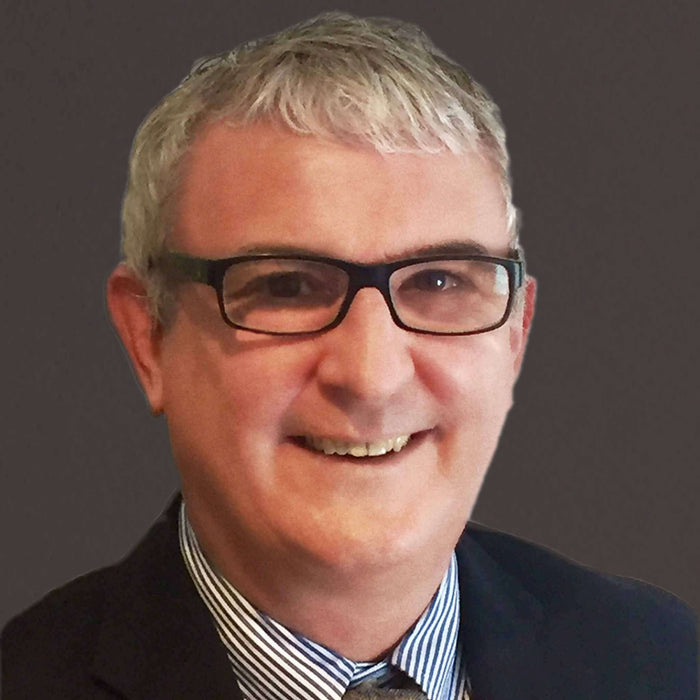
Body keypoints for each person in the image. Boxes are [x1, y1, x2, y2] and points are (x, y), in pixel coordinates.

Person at [1, 12, 695, 700]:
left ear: (514, 334)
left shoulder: (665, 665)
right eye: (287, 287)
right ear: (148, 337)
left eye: (439, 281)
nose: (372, 376)